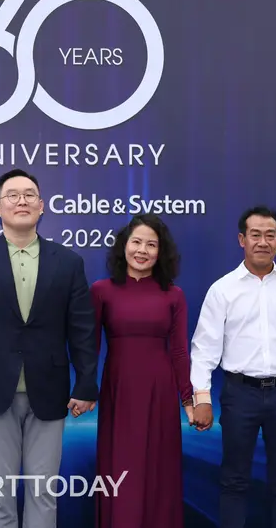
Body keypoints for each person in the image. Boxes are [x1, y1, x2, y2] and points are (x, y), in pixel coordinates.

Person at [0, 168, 99, 528]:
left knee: (43, 491)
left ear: (42, 206)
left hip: (50, 388)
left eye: (29, 195)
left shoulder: (68, 261)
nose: (21, 201)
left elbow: (83, 330)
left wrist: (86, 383)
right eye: (12, 195)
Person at [190, 205, 276, 528]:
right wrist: (202, 397)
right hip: (240, 394)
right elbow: (204, 348)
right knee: (234, 480)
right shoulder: (222, 289)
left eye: (269, 235)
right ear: (242, 240)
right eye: (255, 235)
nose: (262, 242)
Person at [90, 214, 193, 528]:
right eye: (136, 242)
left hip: (160, 392)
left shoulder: (174, 294)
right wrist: (85, 390)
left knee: (159, 469)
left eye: (151, 245)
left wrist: (188, 399)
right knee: (121, 469)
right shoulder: (101, 291)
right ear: (124, 246)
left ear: (161, 253)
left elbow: (179, 350)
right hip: (118, 389)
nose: (142, 250)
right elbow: (90, 346)